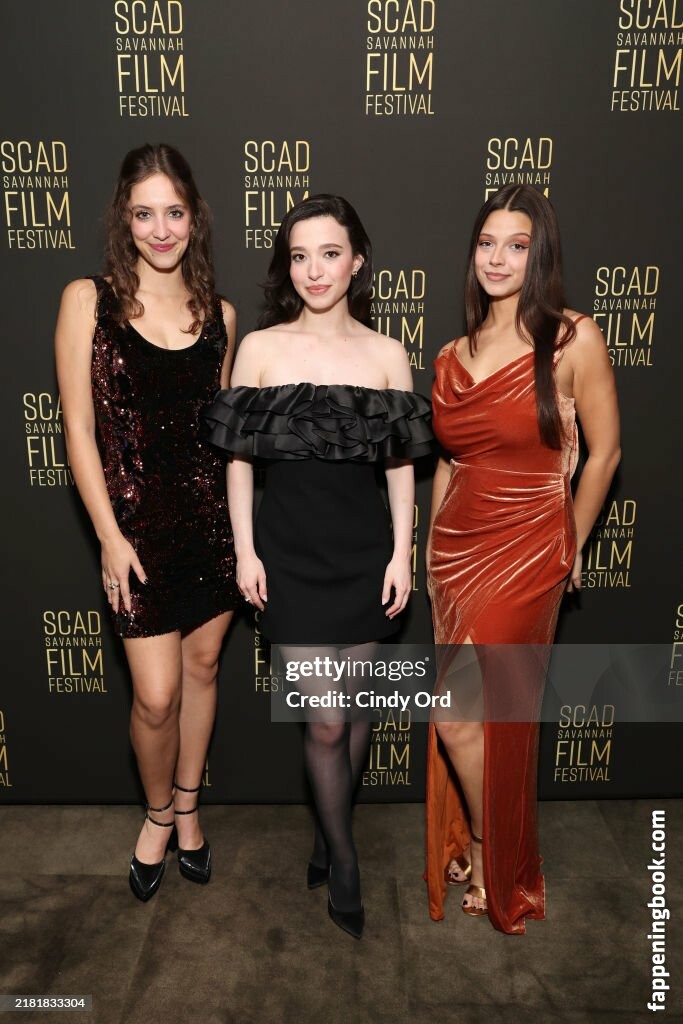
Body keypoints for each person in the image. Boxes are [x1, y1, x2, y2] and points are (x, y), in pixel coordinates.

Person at [204, 194, 431, 938]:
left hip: (365, 555)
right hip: (288, 558)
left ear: (356, 260)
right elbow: (239, 462)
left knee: (356, 711)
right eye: (299, 256)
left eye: (330, 254)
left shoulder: (387, 354)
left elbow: (400, 466)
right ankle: (345, 859)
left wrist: (401, 552)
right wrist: (245, 551)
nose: (314, 270)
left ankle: (327, 835)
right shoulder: (261, 348)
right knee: (327, 721)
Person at [425, 184, 620, 933]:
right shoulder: (452, 355)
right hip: (455, 551)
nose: (497, 258)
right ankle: (483, 839)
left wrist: (570, 540)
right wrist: (427, 548)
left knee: (468, 718)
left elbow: (604, 454)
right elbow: (448, 461)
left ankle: (491, 848)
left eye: (516, 245)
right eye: (486, 243)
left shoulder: (573, 339)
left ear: (539, 256)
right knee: (466, 718)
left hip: (529, 546)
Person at [55, 143, 240, 901]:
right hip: (134, 534)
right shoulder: (88, 301)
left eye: (174, 212)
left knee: (203, 669)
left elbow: (223, 441)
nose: (160, 229)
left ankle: (188, 810)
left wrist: (243, 541)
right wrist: (108, 535)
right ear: (123, 219)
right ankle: (157, 812)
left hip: (210, 527)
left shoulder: (220, 315)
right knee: (156, 695)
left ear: (194, 218)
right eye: (144, 214)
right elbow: (78, 430)